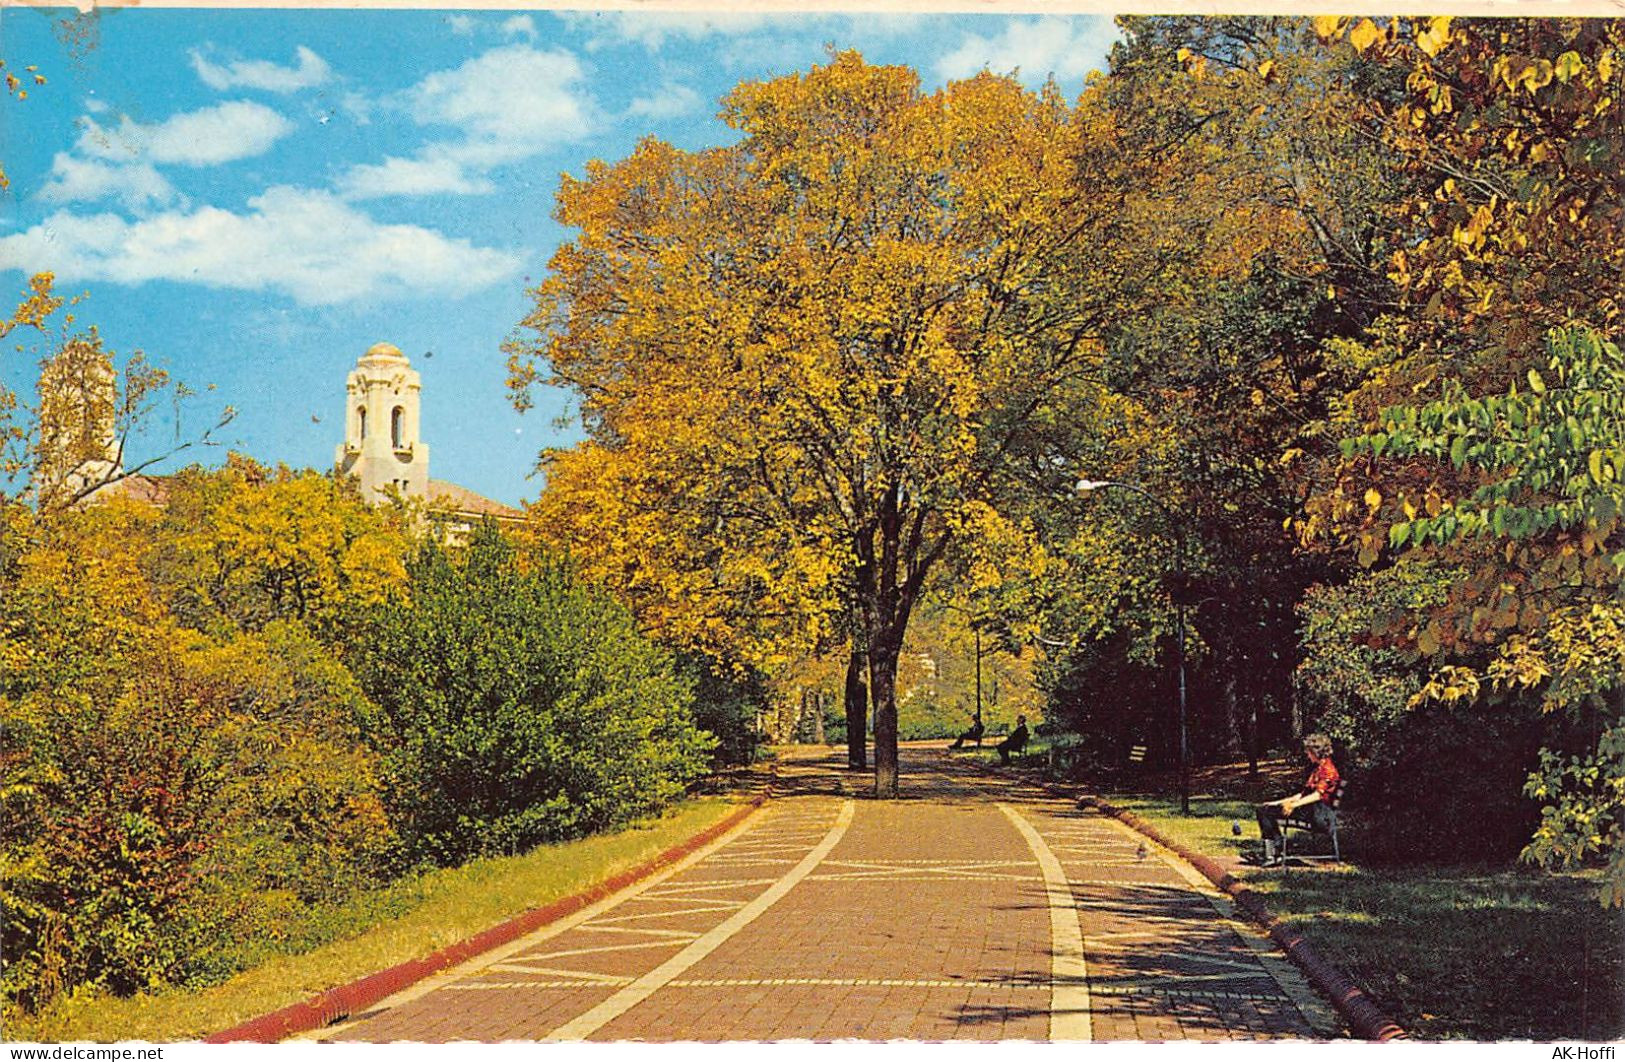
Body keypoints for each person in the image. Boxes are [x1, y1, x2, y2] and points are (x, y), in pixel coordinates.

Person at [1253, 732, 1340, 866]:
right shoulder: (1318, 769)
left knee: (1265, 812)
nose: (1307, 755)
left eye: (1309, 752)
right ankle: (1273, 850)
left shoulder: (1328, 770)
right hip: (1312, 811)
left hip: (1321, 816)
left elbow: (1317, 795)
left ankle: (1274, 851)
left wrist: (1293, 805)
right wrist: (1277, 803)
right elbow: (1303, 794)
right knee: (1264, 809)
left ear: (1316, 752)